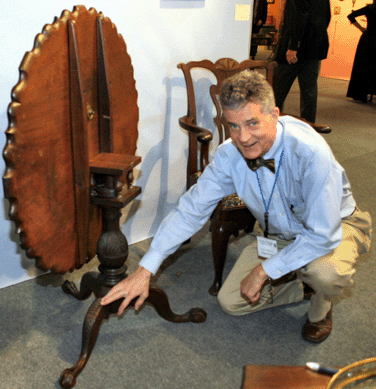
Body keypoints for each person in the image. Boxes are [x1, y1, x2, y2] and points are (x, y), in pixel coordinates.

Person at [101, 70, 372, 343]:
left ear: (275, 115)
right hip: (278, 235)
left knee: (326, 274)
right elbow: (191, 210)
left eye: (252, 123)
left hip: (335, 228)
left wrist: (263, 271)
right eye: (233, 126)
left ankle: (321, 302)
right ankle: (302, 285)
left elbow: (322, 235)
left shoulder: (310, 153)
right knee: (231, 301)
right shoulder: (229, 155)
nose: (243, 138)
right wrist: (146, 268)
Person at [272, 0, 331, 123]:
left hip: (295, 50)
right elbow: (326, 17)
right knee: (309, 93)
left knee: (277, 90)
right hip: (314, 48)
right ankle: (309, 128)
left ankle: (272, 125)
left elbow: (297, 18)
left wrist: (293, 46)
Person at [346, 1, 376, 103]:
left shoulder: (370, 8)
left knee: (363, 66)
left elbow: (351, 16)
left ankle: (361, 93)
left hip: (368, 39)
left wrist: (362, 28)